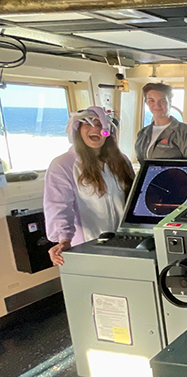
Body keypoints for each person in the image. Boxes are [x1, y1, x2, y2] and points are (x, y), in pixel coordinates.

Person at [44, 107, 135, 265]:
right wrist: (64, 239)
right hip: (88, 248)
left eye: (100, 124)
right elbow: (59, 207)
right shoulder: (63, 165)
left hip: (125, 244)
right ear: (77, 129)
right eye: (88, 124)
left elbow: (134, 197)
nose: (96, 129)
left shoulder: (121, 160)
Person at [134, 82, 187, 161]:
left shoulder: (184, 132)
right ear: (146, 102)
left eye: (162, 101)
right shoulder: (142, 134)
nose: (157, 105)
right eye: (151, 101)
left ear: (170, 101)